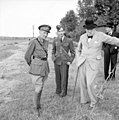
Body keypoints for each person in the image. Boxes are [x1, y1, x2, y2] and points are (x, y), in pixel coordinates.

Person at [76, 19, 119, 109]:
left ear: (94, 28)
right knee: (83, 83)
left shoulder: (100, 35)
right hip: (82, 62)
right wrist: (78, 59)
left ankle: (93, 102)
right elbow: (78, 49)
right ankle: (84, 100)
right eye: (87, 29)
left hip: (94, 63)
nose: (89, 31)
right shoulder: (82, 37)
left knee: (90, 83)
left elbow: (113, 40)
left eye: (91, 28)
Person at [24, 24, 51, 116]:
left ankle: (38, 104)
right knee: (38, 88)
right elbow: (27, 56)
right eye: (44, 32)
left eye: (47, 33)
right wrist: (33, 65)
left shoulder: (46, 42)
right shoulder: (34, 42)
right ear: (39, 32)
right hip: (36, 68)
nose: (46, 35)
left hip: (44, 67)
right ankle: (35, 108)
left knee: (41, 87)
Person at [52, 25, 75, 97]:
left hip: (65, 62)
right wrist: (53, 58)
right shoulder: (55, 40)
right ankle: (58, 90)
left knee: (64, 77)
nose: (61, 32)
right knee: (57, 77)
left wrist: (70, 61)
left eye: (62, 31)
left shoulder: (69, 40)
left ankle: (63, 92)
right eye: (59, 31)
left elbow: (73, 52)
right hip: (57, 61)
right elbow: (53, 50)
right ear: (57, 32)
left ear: (64, 31)